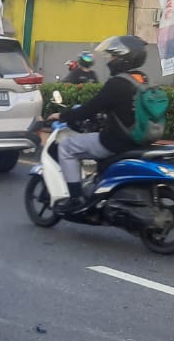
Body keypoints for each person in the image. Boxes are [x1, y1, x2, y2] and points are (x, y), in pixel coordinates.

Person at [45, 35, 150, 213]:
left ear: (123, 59)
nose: (109, 60)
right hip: (139, 139)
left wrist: (62, 116)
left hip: (116, 141)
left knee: (66, 147)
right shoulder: (143, 80)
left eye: (113, 56)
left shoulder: (117, 83)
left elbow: (90, 109)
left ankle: (75, 197)